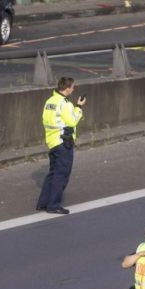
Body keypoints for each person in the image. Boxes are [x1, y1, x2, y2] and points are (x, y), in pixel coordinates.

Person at [35, 77, 86, 214]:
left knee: (52, 173)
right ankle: (54, 205)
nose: (73, 89)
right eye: (72, 87)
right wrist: (79, 107)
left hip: (52, 142)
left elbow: (45, 120)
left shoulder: (49, 101)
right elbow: (72, 122)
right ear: (67, 88)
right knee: (61, 175)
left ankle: (43, 203)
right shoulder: (65, 104)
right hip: (63, 143)